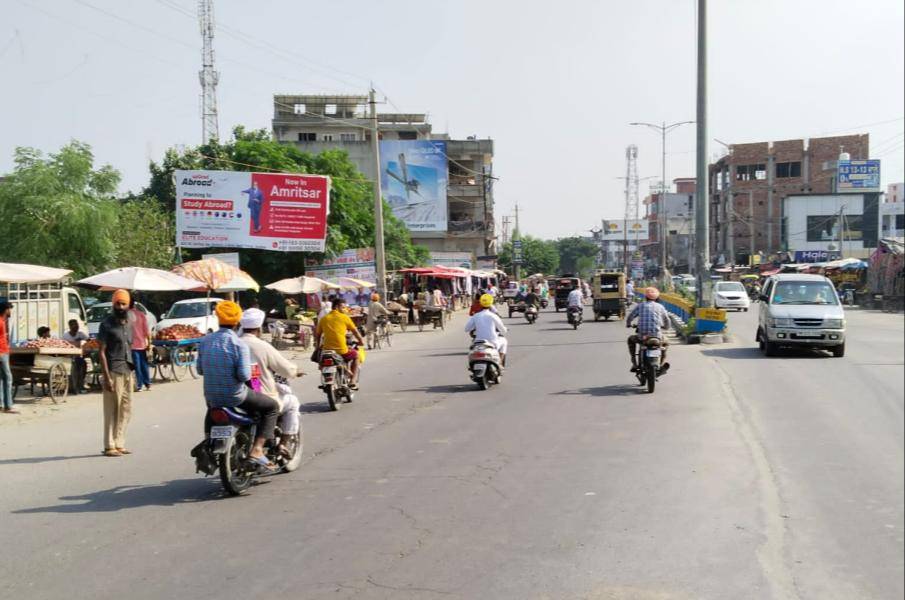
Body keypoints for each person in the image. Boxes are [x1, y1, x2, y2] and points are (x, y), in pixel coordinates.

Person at [197, 301, 280, 469]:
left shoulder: (205, 342)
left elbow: (200, 370)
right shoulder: (239, 344)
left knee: (212, 408)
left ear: (217, 319)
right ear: (237, 322)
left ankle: (208, 442)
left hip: (211, 396)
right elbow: (244, 375)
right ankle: (257, 449)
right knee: (271, 407)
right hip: (236, 396)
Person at [239, 308, 302, 456]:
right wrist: (294, 371)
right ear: (259, 328)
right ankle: (283, 444)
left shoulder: (235, 343)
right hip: (257, 392)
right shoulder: (262, 345)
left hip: (237, 393)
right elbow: (284, 368)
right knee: (292, 402)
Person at [97, 289, 135, 457]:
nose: (120, 306)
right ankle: (109, 445)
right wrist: (106, 376)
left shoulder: (129, 323)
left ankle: (119, 442)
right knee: (112, 409)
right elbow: (101, 352)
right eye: (117, 303)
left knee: (126, 409)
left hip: (127, 370)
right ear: (113, 304)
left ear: (128, 305)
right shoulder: (106, 324)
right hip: (113, 370)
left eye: (123, 303)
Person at [314, 297, 366, 389]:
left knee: (322, 362)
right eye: (343, 307)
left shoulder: (324, 319)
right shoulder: (344, 318)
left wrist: (317, 347)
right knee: (356, 355)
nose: (345, 309)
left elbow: (317, 335)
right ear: (337, 307)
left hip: (327, 350)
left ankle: (339, 372)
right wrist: (361, 341)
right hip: (342, 350)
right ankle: (353, 381)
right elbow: (355, 332)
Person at [625, 287, 671, 374]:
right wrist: (666, 327)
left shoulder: (641, 305)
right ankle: (661, 365)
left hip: (642, 337)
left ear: (645, 297)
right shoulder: (660, 307)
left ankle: (634, 363)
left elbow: (631, 316)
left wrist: (628, 324)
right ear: (657, 298)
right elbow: (667, 320)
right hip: (657, 337)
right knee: (666, 343)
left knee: (631, 339)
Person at [464, 294, 509, 367]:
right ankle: (500, 363)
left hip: (478, 343)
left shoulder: (476, 316)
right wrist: (505, 329)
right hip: (493, 343)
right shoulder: (493, 316)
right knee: (504, 341)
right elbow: (503, 330)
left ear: (481, 304)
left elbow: (466, 329)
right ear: (490, 304)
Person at [129, 299, 152, 392]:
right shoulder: (141, 314)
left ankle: (139, 384)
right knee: (144, 364)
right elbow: (147, 331)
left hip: (132, 345)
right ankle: (148, 383)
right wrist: (149, 343)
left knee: (137, 365)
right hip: (142, 344)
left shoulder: (126, 315)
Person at [63, 319, 89, 395]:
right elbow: (65, 345)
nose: (76, 327)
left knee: (83, 364)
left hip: (79, 356)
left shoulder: (81, 334)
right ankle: (75, 387)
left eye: (77, 325)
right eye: (74, 325)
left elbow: (88, 341)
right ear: (70, 326)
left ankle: (81, 384)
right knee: (76, 366)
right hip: (69, 357)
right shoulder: (66, 336)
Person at [0, 301, 17, 414]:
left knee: (1, 379)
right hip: (2, 352)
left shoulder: (3, 321)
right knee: (8, 378)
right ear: (5, 310)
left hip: (3, 351)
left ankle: (1, 405)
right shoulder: (0, 321)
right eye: (9, 309)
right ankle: (8, 406)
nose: (10, 311)